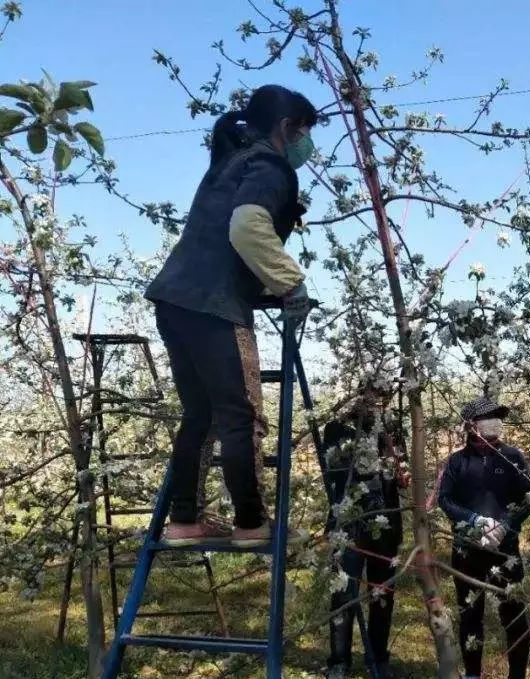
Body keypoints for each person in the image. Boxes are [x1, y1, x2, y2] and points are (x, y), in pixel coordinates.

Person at [144, 84, 317, 546]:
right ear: (286, 127)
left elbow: (225, 235)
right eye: (304, 132)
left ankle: (184, 520)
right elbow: (247, 226)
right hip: (215, 306)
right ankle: (251, 523)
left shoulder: (227, 164)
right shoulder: (269, 165)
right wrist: (289, 281)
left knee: (199, 412)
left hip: (175, 301)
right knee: (240, 416)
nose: (306, 144)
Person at [438, 396, 530, 679]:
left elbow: (529, 499)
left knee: (514, 614)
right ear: (470, 429)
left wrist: (505, 525)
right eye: (485, 428)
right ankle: (472, 674)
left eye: (496, 426)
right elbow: (445, 499)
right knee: (470, 615)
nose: (491, 438)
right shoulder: (457, 462)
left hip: (505, 551)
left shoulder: (512, 457)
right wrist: (473, 521)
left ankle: (517, 674)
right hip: (467, 552)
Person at [322, 392, 410, 679]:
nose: (377, 403)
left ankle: (378, 658)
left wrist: (401, 474)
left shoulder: (392, 429)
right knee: (343, 592)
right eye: (372, 397)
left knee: (382, 592)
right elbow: (333, 471)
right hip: (350, 524)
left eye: (383, 398)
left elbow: (401, 468)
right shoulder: (337, 429)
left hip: (385, 524)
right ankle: (339, 661)